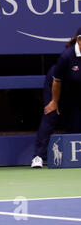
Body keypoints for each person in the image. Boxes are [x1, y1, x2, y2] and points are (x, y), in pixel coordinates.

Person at [32, 27, 81, 168]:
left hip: (76, 87)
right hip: (56, 85)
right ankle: (38, 157)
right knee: (51, 114)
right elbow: (57, 80)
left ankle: (74, 157)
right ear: (78, 40)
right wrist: (54, 101)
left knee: (76, 119)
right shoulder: (67, 56)